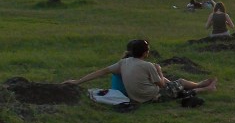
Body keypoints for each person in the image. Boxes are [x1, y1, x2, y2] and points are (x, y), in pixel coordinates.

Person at [63, 39, 217, 103]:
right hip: (151, 96)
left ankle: (201, 86)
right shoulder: (148, 65)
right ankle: (202, 87)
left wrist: (77, 81)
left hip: (135, 96)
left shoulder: (124, 62)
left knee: (174, 85)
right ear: (145, 53)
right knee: (180, 83)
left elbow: (101, 72)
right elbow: (162, 85)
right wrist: (160, 70)